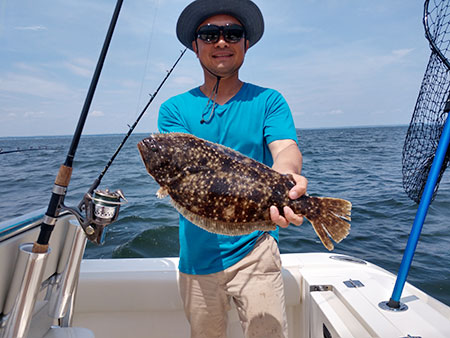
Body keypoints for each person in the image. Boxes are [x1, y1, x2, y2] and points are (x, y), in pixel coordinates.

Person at [157, 0, 308, 337]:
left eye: (232, 33)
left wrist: (289, 178)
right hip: (196, 258)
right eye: (209, 34)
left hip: (257, 252)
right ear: (195, 46)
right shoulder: (174, 110)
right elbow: (181, 173)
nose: (221, 42)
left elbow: (284, 147)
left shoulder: (268, 101)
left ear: (246, 44)